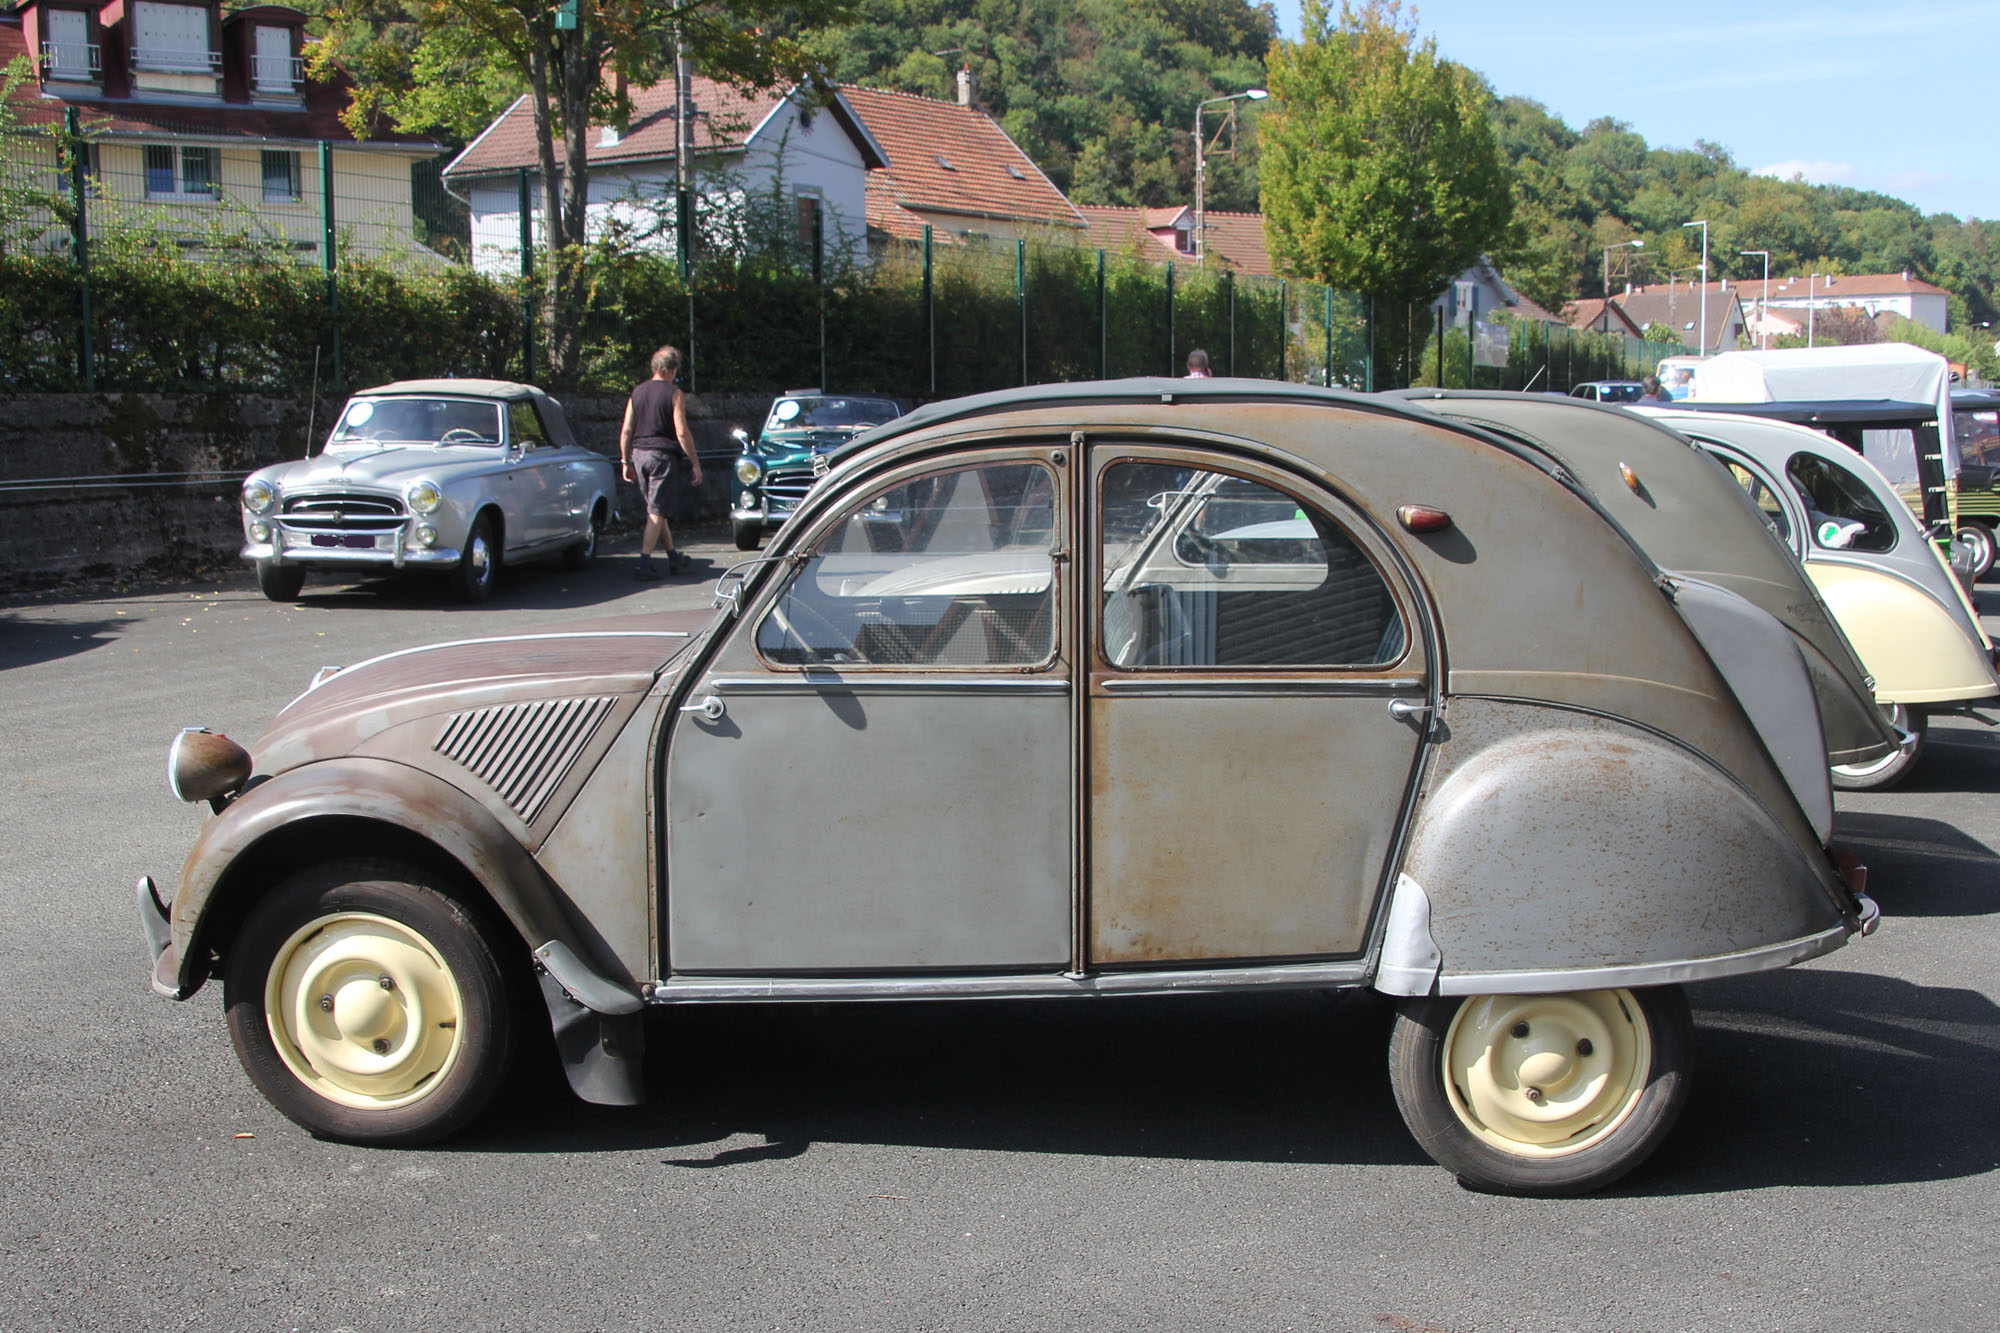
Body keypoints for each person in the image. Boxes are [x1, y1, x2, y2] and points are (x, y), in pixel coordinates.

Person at [620, 345, 703, 579]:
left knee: (655, 509)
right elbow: (681, 431)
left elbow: (626, 430)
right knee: (656, 511)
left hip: (639, 454)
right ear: (672, 369)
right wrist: (695, 462)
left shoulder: (637, 392)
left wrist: (625, 461)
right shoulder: (673, 393)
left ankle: (673, 557)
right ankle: (643, 564)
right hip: (661, 457)